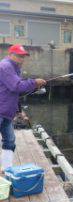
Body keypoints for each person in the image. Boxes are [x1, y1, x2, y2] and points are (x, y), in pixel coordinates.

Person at [0, 44, 46, 172]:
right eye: (19, 56)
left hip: (7, 112)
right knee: (8, 140)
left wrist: (19, 111)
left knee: (9, 141)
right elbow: (16, 86)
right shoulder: (5, 66)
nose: (22, 59)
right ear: (10, 55)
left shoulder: (15, 68)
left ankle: (6, 168)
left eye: (23, 56)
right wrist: (35, 82)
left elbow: (14, 92)